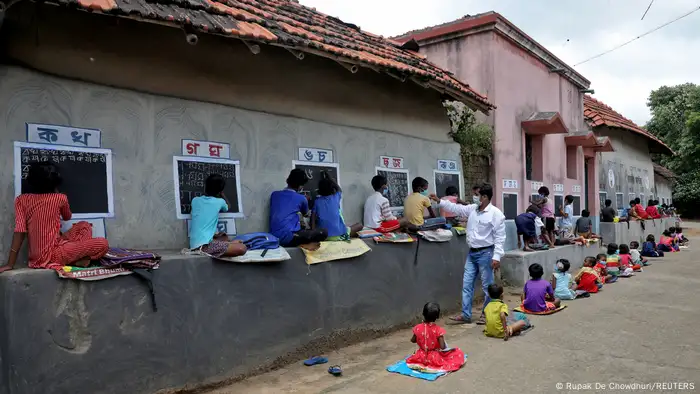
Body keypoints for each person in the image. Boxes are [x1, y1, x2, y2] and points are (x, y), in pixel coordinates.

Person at [0, 162, 109, 273]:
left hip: (42, 254)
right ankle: (82, 258)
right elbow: (67, 216)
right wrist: (57, 194)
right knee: (102, 243)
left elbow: (20, 231)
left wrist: (10, 264)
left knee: (83, 225)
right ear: (56, 183)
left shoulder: (21, 200)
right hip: (54, 255)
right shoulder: (60, 198)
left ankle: (79, 258)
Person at [429, 183, 506, 324]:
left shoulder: (496, 214)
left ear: (485, 197)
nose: (475, 198)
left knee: (487, 286)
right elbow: (457, 208)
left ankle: (486, 313)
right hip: (472, 253)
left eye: (477, 195)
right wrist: (440, 201)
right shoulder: (472, 209)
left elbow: (500, 238)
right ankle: (466, 314)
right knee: (467, 284)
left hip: (486, 253)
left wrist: (496, 256)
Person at [189, 174, 247, 257]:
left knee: (223, 236)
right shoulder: (220, 201)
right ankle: (230, 244)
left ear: (205, 187)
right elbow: (228, 207)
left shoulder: (195, 200)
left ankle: (228, 244)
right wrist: (222, 194)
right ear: (220, 191)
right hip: (205, 246)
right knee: (242, 248)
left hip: (194, 244)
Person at [269, 169, 328, 247]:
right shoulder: (301, 198)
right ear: (300, 187)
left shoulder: (274, 195)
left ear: (287, 180)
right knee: (323, 232)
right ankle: (305, 244)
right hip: (289, 237)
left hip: (273, 236)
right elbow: (306, 214)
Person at [406, 302, 465, 373]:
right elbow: (443, 347)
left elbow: (413, 340)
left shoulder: (417, 328)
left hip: (420, 356)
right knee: (457, 353)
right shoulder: (438, 330)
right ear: (437, 317)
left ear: (423, 314)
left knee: (415, 356)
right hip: (434, 358)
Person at [312, 172, 362, 241]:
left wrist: (313, 234)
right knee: (359, 225)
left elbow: (313, 218)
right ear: (332, 188)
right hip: (338, 235)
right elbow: (339, 189)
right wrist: (330, 178)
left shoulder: (317, 201)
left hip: (323, 235)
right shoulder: (335, 197)